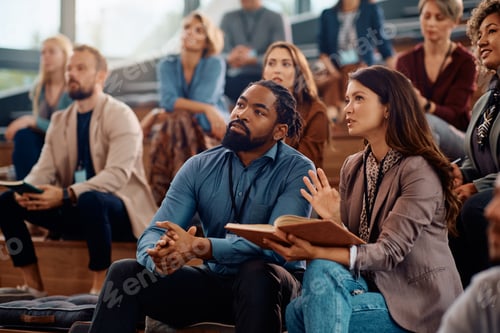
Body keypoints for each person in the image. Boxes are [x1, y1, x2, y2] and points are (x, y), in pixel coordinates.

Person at [88, 80, 313, 333]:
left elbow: (277, 246)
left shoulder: (298, 170)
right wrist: (159, 255)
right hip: (216, 282)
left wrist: (201, 247)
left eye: (258, 112)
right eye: (240, 105)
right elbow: (155, 231)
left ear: (279, 131)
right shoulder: (199, 166)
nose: (242, 114)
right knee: (124, 273)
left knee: (256, 272)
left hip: (276, 286)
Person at [265, 66, 463, 333]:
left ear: (388, 108)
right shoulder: (353, 166)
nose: (347, 108)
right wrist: (334, 221)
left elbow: (389, 252)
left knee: (301, 313)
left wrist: (314, 251)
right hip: (371, 286)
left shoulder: (418, 169)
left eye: (359, 99)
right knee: (303, 299)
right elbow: (358, 244)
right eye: (347, 100)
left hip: (420, 304)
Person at [0, 44, 157, 296]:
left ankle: (98, 288)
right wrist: (25, 188)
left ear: (101, 76)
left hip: (119, 213)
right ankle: (33, 286)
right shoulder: (60, 119)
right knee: (7, 202)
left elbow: (117, 175)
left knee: (91, 199)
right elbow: (44, 168)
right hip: (77, 209)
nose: (71, 74)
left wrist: (64, 195)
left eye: (80, 68)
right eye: (69, 69)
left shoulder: (121, 114)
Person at [140, 11, 228, 205]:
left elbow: (201, 98)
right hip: (182, 124)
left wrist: (157, 115)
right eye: (187, 27)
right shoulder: (167, 65)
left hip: (209, 125)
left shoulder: (214, 63)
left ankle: (167, 196)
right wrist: (206, 108)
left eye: (199, 30)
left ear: (207, 41)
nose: (191, 33)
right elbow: (169, 101)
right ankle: (187, 193)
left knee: (177, 119)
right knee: (178, 119)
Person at [448, 0, 500, 288]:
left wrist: (476, 187)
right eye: (479, 34)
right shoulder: (484, 100)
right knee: (447, 206)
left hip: (494, 194)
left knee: (474, 208)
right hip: (489, 190)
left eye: (491, 31)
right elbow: (474, 156)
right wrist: (460, 174)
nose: (481, 41)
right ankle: (463, 299)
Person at [396, 0, 477, 161]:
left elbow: (454, 115)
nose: (431, 23)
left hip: (459, 137)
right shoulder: (405, 61)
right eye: (426, 16)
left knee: (427, 123)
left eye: (439, 17)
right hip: (417, 133)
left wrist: (424, 104)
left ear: (454, 21)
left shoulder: (465, 61)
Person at [4, 34, 73, 180]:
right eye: (43, 52)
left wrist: (33, 121)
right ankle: (27, 186)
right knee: (24, 135)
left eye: (52, 52)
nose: (46, 56)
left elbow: (69, 131)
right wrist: (31, 123)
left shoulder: (73, 89)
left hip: (66, 145)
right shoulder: (39, 88)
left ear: (65, 55)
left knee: (27, 129)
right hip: (45, 143)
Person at [438, 175, 500, 333]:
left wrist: (476, 186)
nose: (491, 212)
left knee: (472, 208)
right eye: (496, 196)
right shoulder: (487, 288)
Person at [315, 0, 395, 120]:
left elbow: (384, 45)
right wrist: (333, 71)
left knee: (352, 74)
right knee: (333, 79)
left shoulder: (370, 9)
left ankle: (336, 110)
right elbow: (323, 51)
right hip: (335, 68)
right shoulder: (327, 14)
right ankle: (338, 109)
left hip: (361, 66)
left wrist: (396, 76)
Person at [262, 41, 329, 168]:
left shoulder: (315, 111)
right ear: (264, 72)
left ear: (298, 72)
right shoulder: (253, 108)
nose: (277, 70)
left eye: (286, 64)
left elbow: (304, 166)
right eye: (271, 63)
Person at [220, 0, 291, 104]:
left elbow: (283, 55)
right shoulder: (228, 18)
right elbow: (218, 53)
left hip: (264, 76)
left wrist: (253, 59)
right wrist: (230, 58)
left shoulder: (276, 17)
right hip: (233, 78)